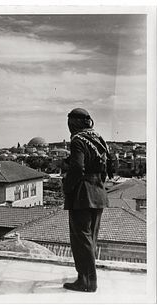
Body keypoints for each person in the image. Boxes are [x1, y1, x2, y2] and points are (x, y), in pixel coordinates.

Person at [62, 108, 113, 292]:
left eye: (70, 123)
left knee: (80, 238)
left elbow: (77, 167)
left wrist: (67, 186)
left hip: (82, 193)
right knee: (90, 237)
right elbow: (109, 165)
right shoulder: (98, 138)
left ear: (74, 123)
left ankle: (87, 281)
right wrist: (98, 183)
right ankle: (84, 277)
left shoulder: (77, 140)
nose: (69, 127)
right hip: (98, 192)